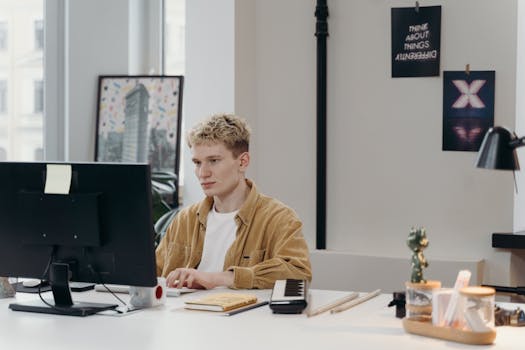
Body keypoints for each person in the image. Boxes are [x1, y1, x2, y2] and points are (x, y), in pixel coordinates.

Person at [156, 114, 312, 289]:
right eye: (197, 163)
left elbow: (298, 272)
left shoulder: (279, 218)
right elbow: (150, 273)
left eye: (213, 161)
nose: (202, 173)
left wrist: (220, 278)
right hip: (182, 314)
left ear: (243, 162)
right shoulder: (185, 219)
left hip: (241, 316)